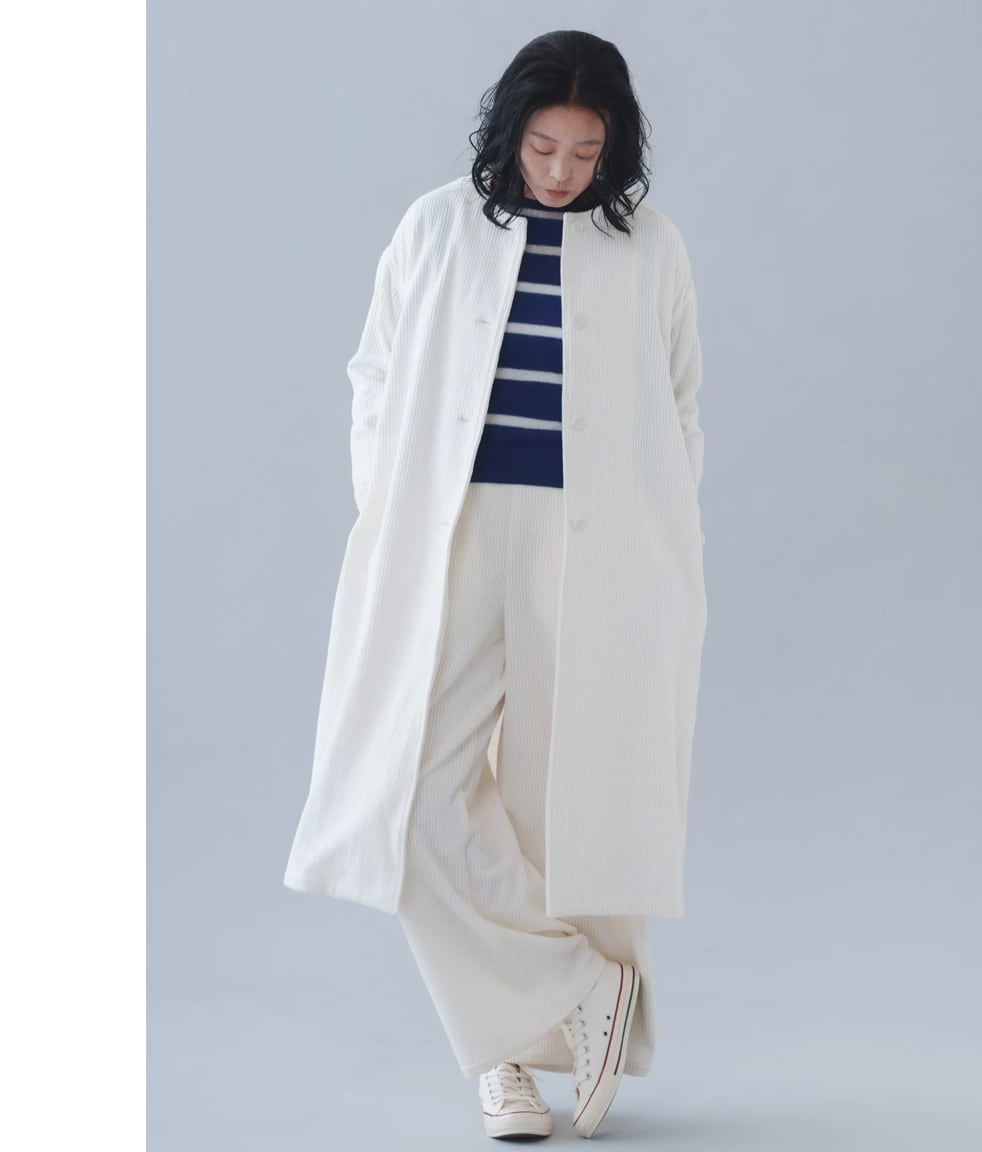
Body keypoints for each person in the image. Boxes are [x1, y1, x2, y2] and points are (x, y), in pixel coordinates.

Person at [283, 29, 706, 1142]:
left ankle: (508, 1066)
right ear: (509, 130)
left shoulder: (648, 248)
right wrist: (391, 497)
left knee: (570, 798)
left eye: (585, 152)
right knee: (410, 792)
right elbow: (375, 372)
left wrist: (659, 540)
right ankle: (581, 987)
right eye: (542, 146)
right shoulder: (437, 226)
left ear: (615, 148)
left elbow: (679, 402)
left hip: (596, 544)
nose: (561, 172)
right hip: (457, 529)